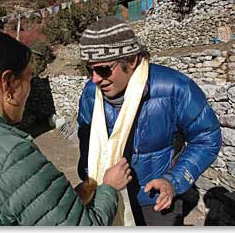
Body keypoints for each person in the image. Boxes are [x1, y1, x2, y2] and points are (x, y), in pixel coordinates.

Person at [0, 30, 132, 226]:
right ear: (8, 84)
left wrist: (68, 203)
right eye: (29, 77)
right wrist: (109, 187)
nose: (30, 88)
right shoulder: (13, 156)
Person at [76, 16, 222, 226]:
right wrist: (90, 178)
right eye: (89, 69)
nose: (95, 79)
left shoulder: (176, 89)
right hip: (105, 196)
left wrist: (173, 181)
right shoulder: (91, 94)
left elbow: (206, 137)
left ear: (132, 60)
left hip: (155, 202)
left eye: (103, 69)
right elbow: (86, 141)